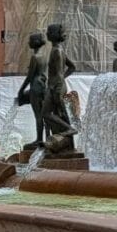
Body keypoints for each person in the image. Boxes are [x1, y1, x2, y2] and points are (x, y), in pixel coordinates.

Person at [42, 23, 78, 154]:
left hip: (56, 87)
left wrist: (53, 87)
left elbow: (57, 74)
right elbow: (72, 67)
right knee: (59, 114)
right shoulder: (59, 49)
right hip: (59, 84)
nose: (46, 34)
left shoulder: (56, 51)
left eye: (48, 32)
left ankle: (70, 129)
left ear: (53, 35)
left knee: (46, 113)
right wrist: (63, 78)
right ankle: (64, 141)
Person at [16, 32, 48, 148]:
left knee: (38, 115)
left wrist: (21, 90)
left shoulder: (35, 57)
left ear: (34, 43)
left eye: (30, 41)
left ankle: (39, 139)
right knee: (44, 113)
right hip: (42, 86)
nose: (28, 42)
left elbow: (30, 77)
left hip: (35, 86)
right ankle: (47, 137)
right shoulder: (44, 56)